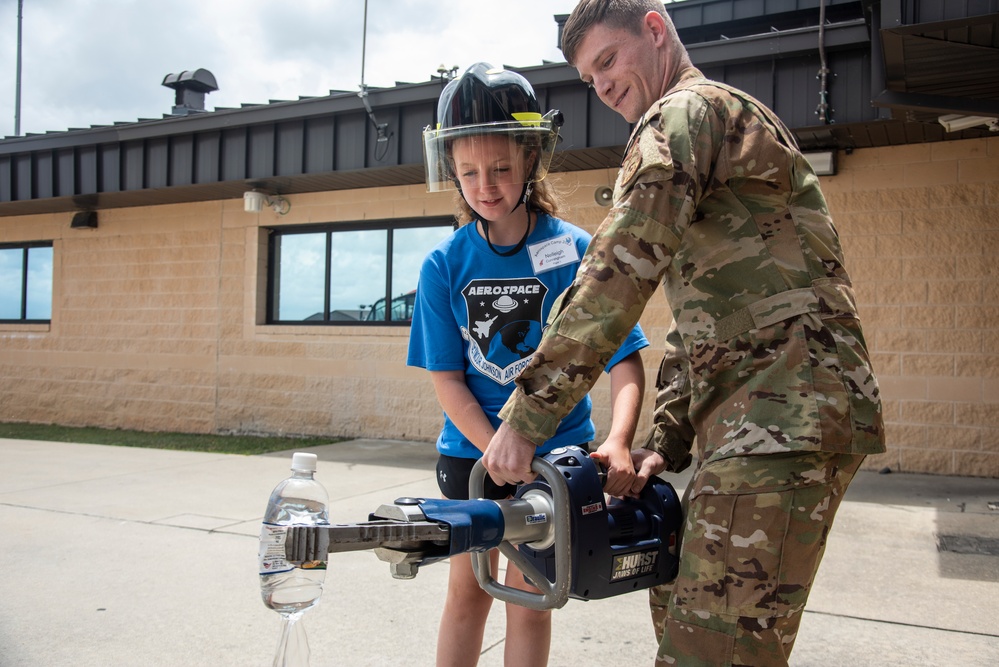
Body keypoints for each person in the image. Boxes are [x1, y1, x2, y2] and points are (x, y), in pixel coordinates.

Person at [482, 2, 886, 666]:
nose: (604, 86)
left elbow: (617, 271)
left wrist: (527, 415)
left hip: (779, 415)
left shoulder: (679, 116)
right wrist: (663, 443)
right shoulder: (714, 117)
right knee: (678, 605)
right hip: (772, 414)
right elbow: (699, 317)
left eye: (607, 61)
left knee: (709, 649)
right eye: (589, 78)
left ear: (654, 28)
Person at [408, 62, 650, 667]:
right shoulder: (443, 265)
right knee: (468, 595)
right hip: (471, 456)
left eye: (500, 168)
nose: (485, 185)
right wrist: (497, 450)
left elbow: (624, 358)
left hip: (557, 462)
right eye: (468, 171)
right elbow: (448, 380)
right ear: (451, 172)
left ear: (531, 161)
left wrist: (620, 439)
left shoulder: (574, 251)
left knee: (530, 598)